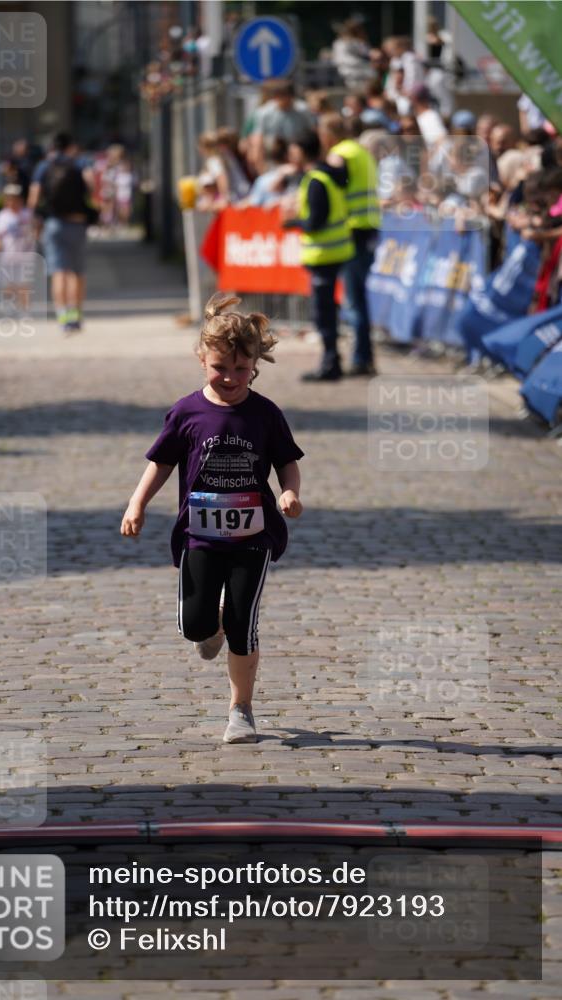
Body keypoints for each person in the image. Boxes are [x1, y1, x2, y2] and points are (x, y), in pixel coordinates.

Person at [120, 293, 304, 744]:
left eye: (241, 370)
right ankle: (214, 621)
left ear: (256, 365)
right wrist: (137, 503)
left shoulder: (265, 414)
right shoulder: (187, 412)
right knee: (194, 627)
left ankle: (241, 709)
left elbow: (287, 461)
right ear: (201, 358)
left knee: (245, 623)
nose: (230, 377)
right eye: (220, 367)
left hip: (253, 535)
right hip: (199, 536)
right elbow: (161, 463)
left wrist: (291, 492)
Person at [281, 131, 355, 381]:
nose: (290, 156)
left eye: (293, 151)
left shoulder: (315, 180)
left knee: (324, 314)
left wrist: (292, 222)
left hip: (324, 255)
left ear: (302, 152)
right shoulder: (326, 176)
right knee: (328, 312)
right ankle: (332, 360)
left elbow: (315, 222)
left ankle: (330, 363)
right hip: (334, 252)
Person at [321, 112, 381, 375]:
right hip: (368, 228)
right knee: (359, 299)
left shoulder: (340, 152)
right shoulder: (361, 151)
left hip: (353, 230)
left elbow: (331, 181)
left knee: (354, 301)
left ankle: (361, 359)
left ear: (329, 133)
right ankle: (364, 357)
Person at [28, 133, 90, 333]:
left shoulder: (44, 166)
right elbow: (93, 188)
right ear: (71, 146)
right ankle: (76, 316)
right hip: (77, 223)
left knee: (58, 273)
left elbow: (34, 198)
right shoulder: (79, 164)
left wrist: (34, 221)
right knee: (76, 273)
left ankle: (62, 317)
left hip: (53, 224)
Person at [0, 184, 36, 313]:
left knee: (24, 283)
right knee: (7, 283)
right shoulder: (1, 217)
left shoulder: (28, 214)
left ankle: (25, 310)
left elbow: (37, 228)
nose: (12, 202)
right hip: (7, 255)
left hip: (25, 254)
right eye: (9, 199)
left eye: (15, 198)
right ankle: (10, 307)